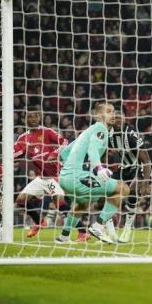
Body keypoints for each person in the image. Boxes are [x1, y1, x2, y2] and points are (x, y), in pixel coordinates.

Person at [55, 102, 129, 244]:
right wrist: (98, 168)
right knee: (123, 188)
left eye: (113, 111)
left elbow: (64, 153)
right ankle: (98, 226)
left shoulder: (87, 131)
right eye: (108, 111)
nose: (113, 114)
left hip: (66, 178)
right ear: (98, 115)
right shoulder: (100, 129)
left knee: (84, 204)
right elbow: (93, 150)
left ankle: (63, 237)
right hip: (78, 177)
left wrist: (73, 170)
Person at [13, 109, 69, 238]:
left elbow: (64, 142)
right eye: (30, 117)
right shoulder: (23, 138)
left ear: (39, 119)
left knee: (60, 203)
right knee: (21, 200)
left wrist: (55, 153)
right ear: (25, 119)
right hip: (40, 178)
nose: (33, 119)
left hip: (54, 175)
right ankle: (39, 222)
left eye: (35, 117)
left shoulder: (47, 131)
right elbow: (16, 153)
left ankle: (82, 232)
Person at [108, 110, 152, 243]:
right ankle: (109, 232)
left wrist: (145, 183)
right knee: (107, 193)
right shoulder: (109, 134)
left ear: (125, 120)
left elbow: (146, 160)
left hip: (137, 168)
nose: (118, 121)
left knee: (132, 193)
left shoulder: (131, 135)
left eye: (120, 118)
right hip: (123, 168)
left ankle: (127, 228)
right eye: (115, 118)